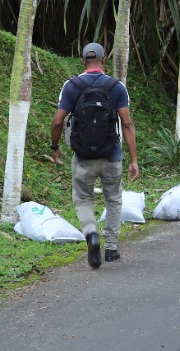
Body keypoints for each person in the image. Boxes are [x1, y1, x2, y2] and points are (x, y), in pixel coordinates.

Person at [49, 42, 140, 269]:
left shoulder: (71, 86)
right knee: (114, 200)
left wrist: (54, 146)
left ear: (83, 62)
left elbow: (58, 121)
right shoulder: (116, 87)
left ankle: (91, 233)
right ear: (104, 60)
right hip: (112, 155)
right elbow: (127, 124)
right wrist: (134, 160)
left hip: (82, 157)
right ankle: (111, 249)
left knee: (83, 199)